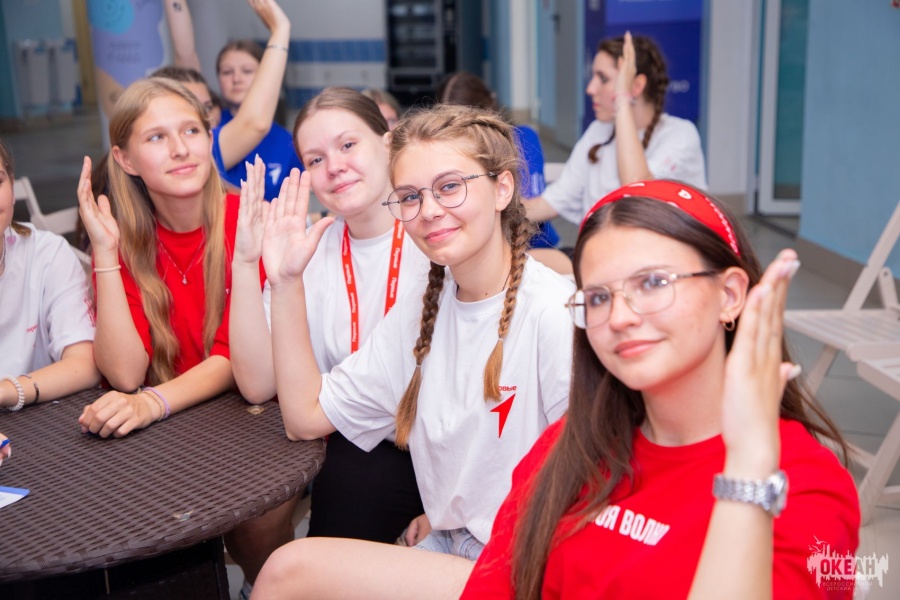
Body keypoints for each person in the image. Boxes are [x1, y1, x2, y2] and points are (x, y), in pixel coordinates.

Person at [461, 180, 860, 599]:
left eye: (652, 283)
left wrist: (746, 469)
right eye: (598, 297)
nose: (619, 317)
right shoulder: (566, 448)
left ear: (729, 295)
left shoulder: (807, 485)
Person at [249, 104, 575, 599]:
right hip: (452, 545)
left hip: (527, 564)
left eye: (450, 186)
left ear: (502, 188)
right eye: (409, 196)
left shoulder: (553, 314)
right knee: (289, 567)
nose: (429, 210)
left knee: (287, 571)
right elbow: (305, 417)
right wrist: (287, 281)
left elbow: (593, 488)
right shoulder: (423, 309)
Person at [75, 77, 280, 598]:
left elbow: (235, 359)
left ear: (210, 138)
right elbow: (124, 372)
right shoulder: (124, 238)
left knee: (253, 532)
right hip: (175, 434)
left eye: (191, 130)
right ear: (124, 160)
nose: (181, 148)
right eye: (157, 137)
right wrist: (105, 254)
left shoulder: (248, 221)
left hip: (259, 420)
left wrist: (152, 403)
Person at [230, 88, 429, 552]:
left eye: (347, 145)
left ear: (388, 142)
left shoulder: (435, 235)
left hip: (431, 444)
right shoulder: (310, 251)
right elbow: (257, 385)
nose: (334, 166)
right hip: (347, 438)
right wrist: (246, 262)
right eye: (315, 159)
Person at [526, 32, 707, 226]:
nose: (590, 88)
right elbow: (553, 201)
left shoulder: (681, 135)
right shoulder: (599, 130)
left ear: (636, 86)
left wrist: (622, 97)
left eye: (603, 78)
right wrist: (505, 208)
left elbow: (636, 193)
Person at [0, 137, 99, 411]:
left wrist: (7, 391)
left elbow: (85, 365)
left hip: (37, 421)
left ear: (11, 186)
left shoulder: (47, 254)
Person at [436, 71, 561, 253]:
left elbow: (530, 209)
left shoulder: (523, 139)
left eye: (462, 127)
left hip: (536, 248)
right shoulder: (442, 152)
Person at [214, 0, 302, 200]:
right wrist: (280, 29)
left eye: (247, 71)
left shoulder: (288, 143)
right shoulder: (210, 131)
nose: (236, 79)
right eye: (227, 72)